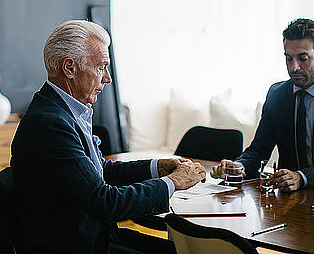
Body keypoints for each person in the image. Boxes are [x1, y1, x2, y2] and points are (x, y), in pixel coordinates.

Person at [10, 20, 206, 253]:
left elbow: (102, 171)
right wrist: (174, 182)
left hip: (93, 235)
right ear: (70, 68)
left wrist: (158, 167)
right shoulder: (50, 124)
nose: (108, 78)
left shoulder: (63, 110)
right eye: (101, 67)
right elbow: (104, 202)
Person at [211, 18, 314, 191]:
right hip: (287, 199)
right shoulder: (277, 94)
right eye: (288, 58)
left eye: (303, 58)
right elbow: (259, 149)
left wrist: (302, 177)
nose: (294, 67)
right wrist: (238, 167)